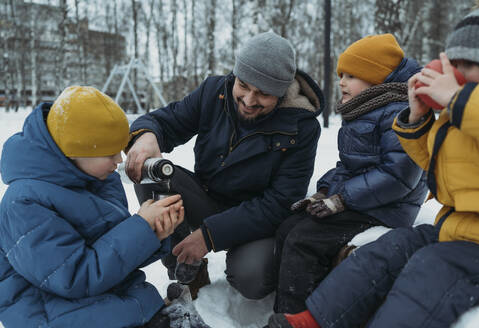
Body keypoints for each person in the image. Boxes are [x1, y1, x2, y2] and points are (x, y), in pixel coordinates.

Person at [267, 1, 479, 327]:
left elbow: (400, 174)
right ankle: (309, 320)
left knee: (429, 270)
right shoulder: (463, 118)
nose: (451, 73)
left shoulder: (468, 108)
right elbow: (435, 169)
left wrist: (458, 99)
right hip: (457, 232)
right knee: (384, 253)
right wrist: (416, 121)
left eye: (463, 65)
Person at [125, 31, 324, 299]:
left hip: (257, 220)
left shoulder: (302, 126)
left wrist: (210, 235)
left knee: (252, 278)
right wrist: (146, 135)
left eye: (263, 93)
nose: (249, 100)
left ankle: (230, 257)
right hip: (207, 198)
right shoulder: (214, 92)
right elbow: (165, 121)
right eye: (243, 85)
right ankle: (185, 268)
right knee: (152, 172)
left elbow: (280, 201)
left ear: (281, 93)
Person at [0, 86, 184, 328]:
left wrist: (153, 232)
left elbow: (109, 250)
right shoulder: (24, 203)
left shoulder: (97, 178)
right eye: (110, 153)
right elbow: (74, 277)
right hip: (49, 311)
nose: (119, 160)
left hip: (94, 295)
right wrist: (141, 228)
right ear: (76, 152)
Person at [271, 33, 428, 315]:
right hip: (362, 200)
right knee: (289, 227)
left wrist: (342, 198)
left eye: (352, 75)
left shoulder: (399, 112)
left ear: (377, 78)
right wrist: (324, 191)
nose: (342, 81)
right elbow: (349, 166)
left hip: (388, 207)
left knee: (304, 240)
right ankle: (285, 308)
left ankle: (297, 317)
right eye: (341, 74)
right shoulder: (365, 111)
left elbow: (399, 176)